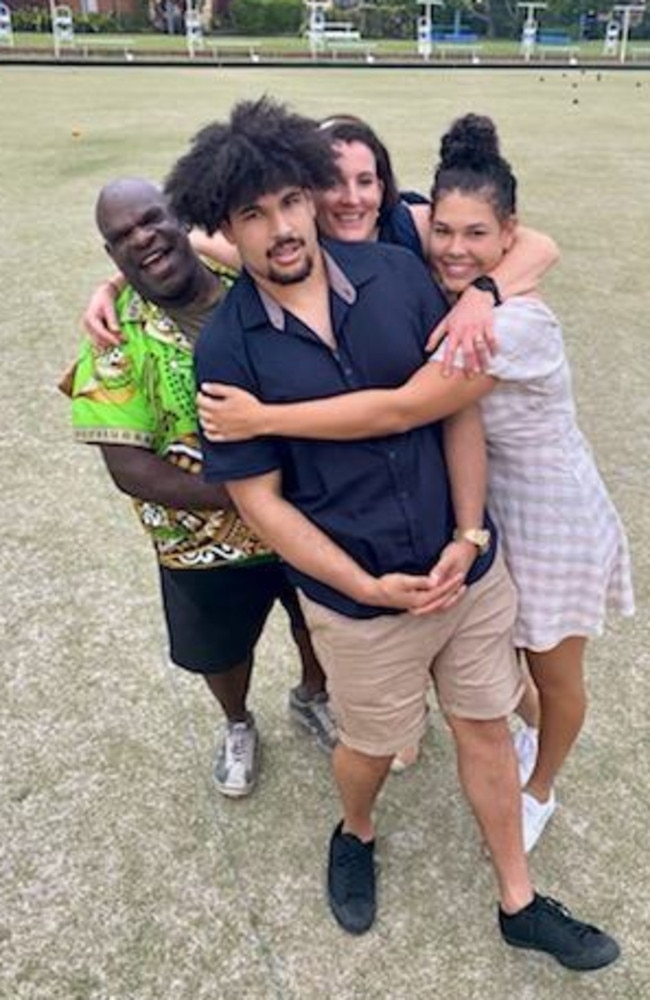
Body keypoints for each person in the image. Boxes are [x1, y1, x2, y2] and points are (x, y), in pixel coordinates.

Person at [164, 96, 620, 970]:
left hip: (465, 575)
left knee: (486, 723)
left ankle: (517, 901)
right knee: (370, 746)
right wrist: (367, 588)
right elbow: (260, 502)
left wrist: (469, 534)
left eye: (289, 202)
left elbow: (454, 418)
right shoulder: (227, 351)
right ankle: (357, 829)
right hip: (356, 601)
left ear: (312, 196)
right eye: (251, 216)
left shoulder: (401, 276)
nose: (280, 229)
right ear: (227, 230)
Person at [64, 177, 337, 799]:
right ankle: (238, 723)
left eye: (151, 219)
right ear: (113, 257)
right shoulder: (113, 339)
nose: (142, 238)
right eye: (122, 237)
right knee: (219, 651)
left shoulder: (258, 283)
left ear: (180, 218)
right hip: (200, 542)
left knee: (317, 621)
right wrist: (251, 493)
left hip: (309, 516)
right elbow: (129, 469)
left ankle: (314, 695)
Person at [80, 114, 559, 380]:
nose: (352, 199)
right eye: (334, 182)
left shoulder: (412, 225)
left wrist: (481, 293)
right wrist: (113, 285)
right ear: (307, 188)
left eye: (366, 181)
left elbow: (536, 244)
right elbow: (181, 241)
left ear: (383, 185)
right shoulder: (288, 252)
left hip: (454, 396)